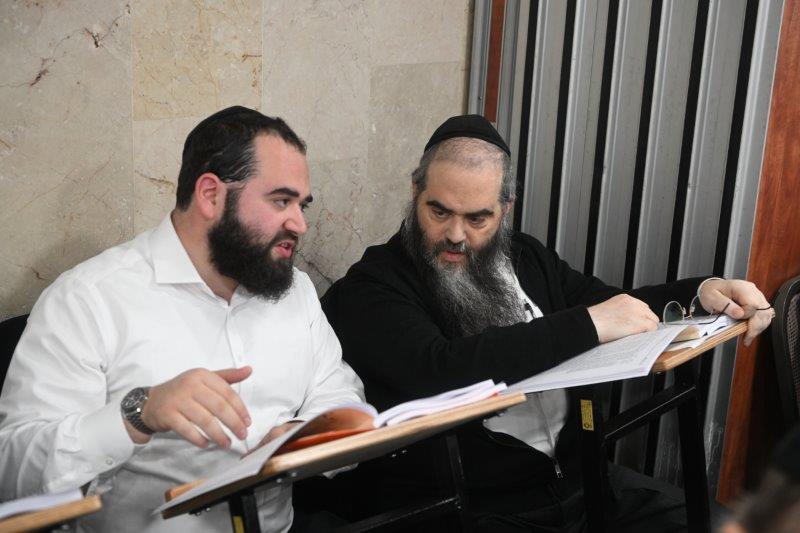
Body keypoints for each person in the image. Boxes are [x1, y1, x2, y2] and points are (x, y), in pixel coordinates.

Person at [319, 114, 774, 531]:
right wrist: (586, 325)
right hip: (482, 509)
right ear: (415, 190)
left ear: (506, 208)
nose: (456, 235)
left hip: (585, 482)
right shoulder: (373, 284)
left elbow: (612, 306)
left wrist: (701, 292)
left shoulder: (525, 256)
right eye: (439, 211)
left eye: (477, 218)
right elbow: (438, 367)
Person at [0, 106, 364, 532]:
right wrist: (137, 414)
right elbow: (13, 475)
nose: (299, 224)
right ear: (210, 195)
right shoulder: (88, 299)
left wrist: (303, 432)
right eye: (281, 201)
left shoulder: (294, 290)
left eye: (302, 205)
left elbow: (339, 390)